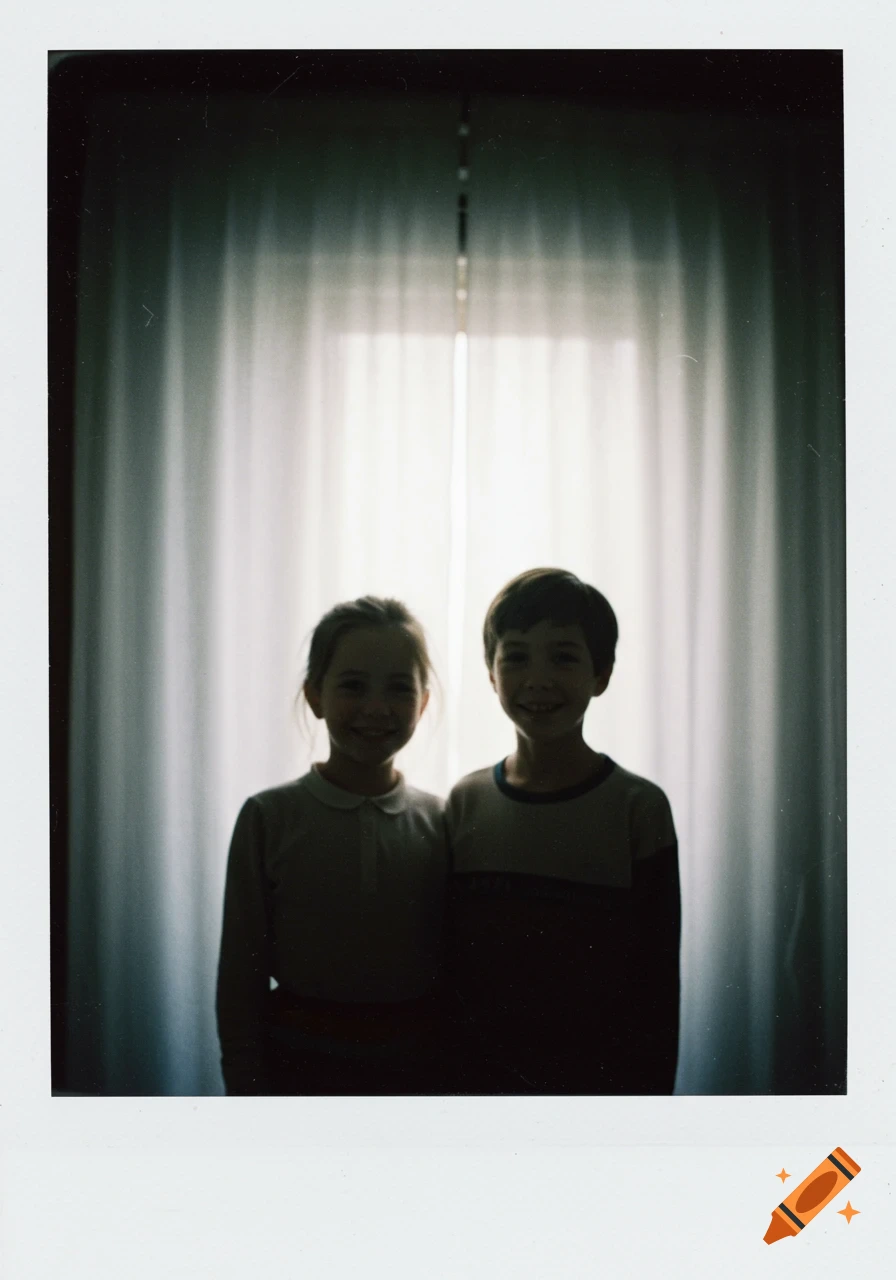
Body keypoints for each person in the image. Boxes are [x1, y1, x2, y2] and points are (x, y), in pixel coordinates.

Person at [446, 568, 681, 1095]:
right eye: (517, 656)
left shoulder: (637, 808)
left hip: (596, 1087)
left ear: (601, 674)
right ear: (491, 673)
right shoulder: (466, 802)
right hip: (479, 1086)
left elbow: (655, 988)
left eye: (564, 657)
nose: (538, 678)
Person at [216, 596, 447, 1095]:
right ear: (316, 695)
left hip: (413, 1071)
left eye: (398, 689)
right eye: (353, 686)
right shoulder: (269, 818)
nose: (376, 708)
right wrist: (244, 1089)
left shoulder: (442, 820)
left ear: (422, 703)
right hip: (298, 1066)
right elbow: (240, 982)